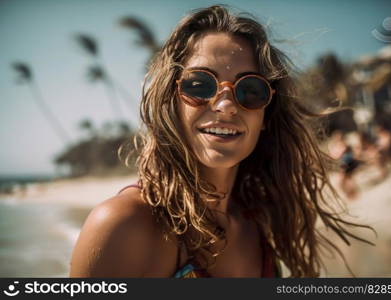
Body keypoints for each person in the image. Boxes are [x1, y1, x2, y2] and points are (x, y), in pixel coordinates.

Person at [69, 5, 371, 278]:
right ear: (171, 102)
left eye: (250, 90)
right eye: (200, 84)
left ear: (265, 116)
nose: (225, 105)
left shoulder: (259, 223)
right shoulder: (124, 225)